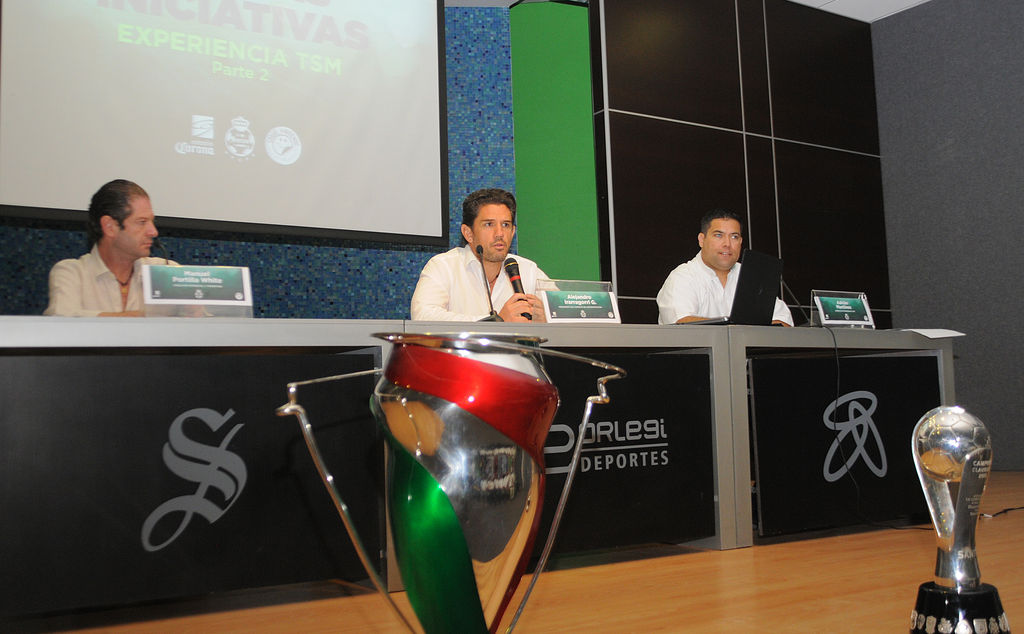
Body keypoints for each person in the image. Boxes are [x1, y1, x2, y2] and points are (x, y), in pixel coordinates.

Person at [410, 188, 548, 322]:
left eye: (506, 225)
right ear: (468, 233)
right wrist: (497, 322)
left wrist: (546, 320)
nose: (499, 233)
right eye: (489, 224)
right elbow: (423, 316)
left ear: (512, 232)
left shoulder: (529, 270)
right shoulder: (443, 267)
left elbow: (560, 314)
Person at [44, 179, 175, 317]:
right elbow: (61, 319)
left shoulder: (166, 272)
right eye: (142, 222)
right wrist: (143, 318)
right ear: (109, 227)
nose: (153, 232)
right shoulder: (72, 273)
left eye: (152, 222)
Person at [656, 209, 793, 326]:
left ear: (740, 242)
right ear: (702, 240)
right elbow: (682, 324)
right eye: (718, 235)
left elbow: (784, 324)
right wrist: (738, 329)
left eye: (734, 237)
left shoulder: (752, 277)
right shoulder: (683, 277)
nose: (727, 244)